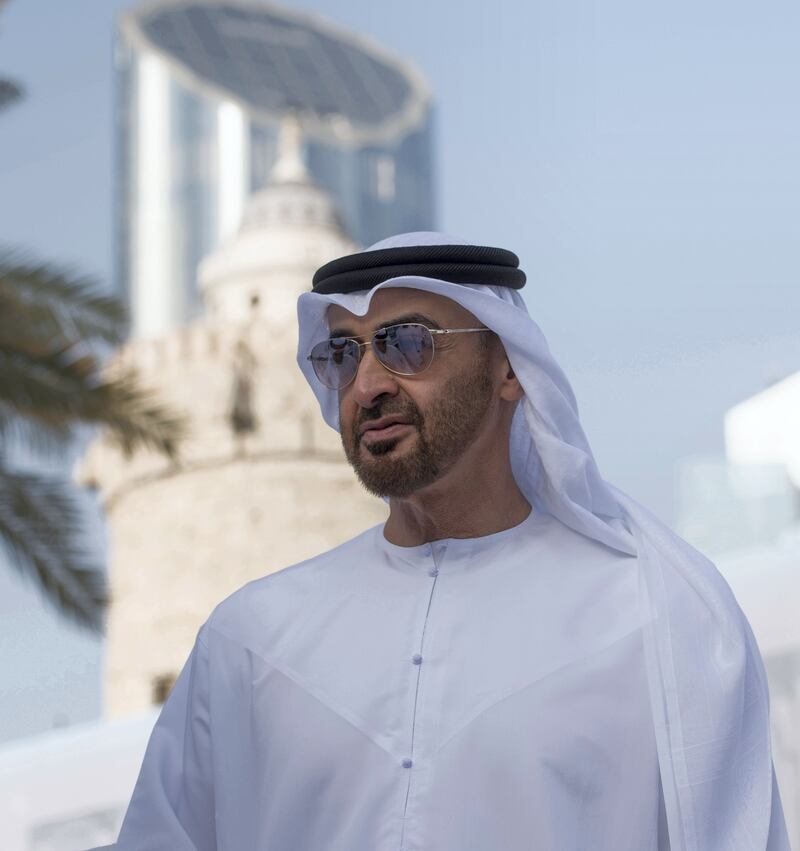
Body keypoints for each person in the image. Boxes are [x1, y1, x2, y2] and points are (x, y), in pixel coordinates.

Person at [109, 232, 789, 851]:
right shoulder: (251, 638)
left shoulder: (655, 615)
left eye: (408, 343)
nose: (368, 384)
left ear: (509, 367)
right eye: (343, 354)